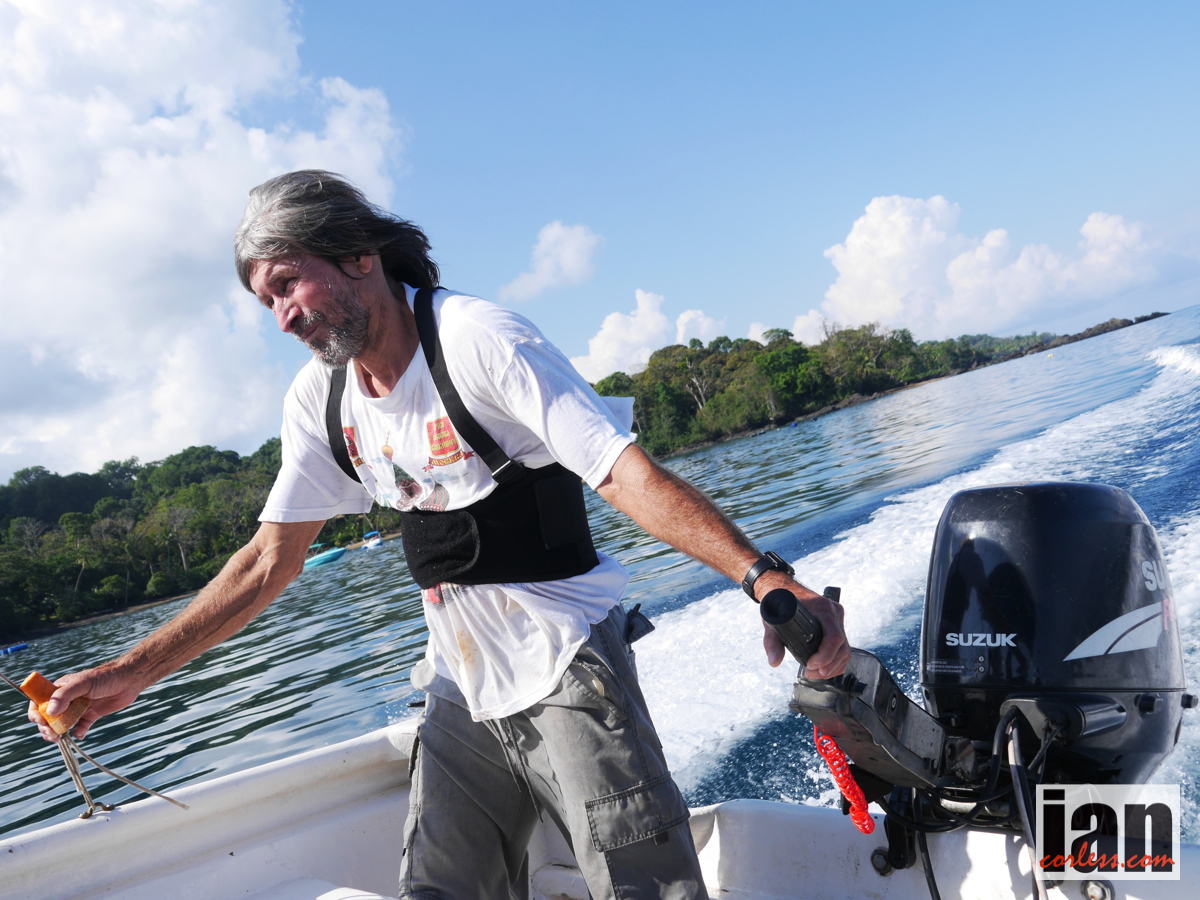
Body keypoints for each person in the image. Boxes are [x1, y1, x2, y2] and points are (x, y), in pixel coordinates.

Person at [30, 170, 850, 899]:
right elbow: (267, 561)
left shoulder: (479, 341)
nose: (282, 318)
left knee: (641, 885)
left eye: (287, 284)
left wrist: (765, 579)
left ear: (359, 255)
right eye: (265, 302)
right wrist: (130, 673)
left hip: (568, 656)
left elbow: (623, 474)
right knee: (437, 887)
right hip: (460, 677)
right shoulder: (320, 400)